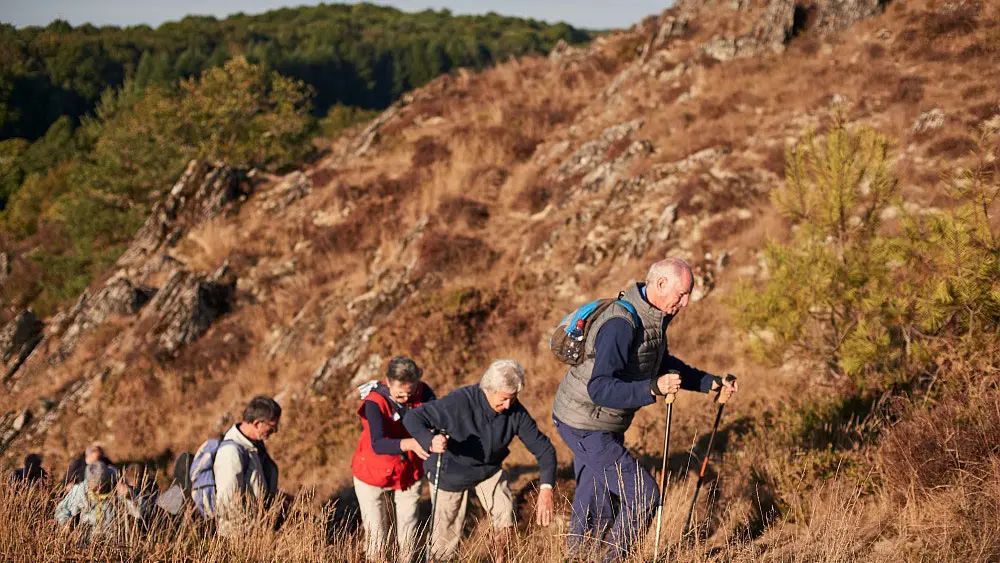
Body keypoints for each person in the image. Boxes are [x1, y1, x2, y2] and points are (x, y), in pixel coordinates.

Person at [551, 258, 739, 561]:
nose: (686, 302)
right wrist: (652, 388)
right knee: (643, 496)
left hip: (601, 423)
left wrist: (710, 383)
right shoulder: (621, 325)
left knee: (597, 503)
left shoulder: (652, 318)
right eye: (682, 294)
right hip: (585, 423)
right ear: (661, 284)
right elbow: (599, 388)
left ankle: (578, 556)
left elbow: (661, 363)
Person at [404, 359, 556, 562]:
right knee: (445, 540)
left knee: (505, 515)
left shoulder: (515, 411)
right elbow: (413, 418)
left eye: (512, 399)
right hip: (451, 472)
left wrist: (546, 488)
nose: (508, 405)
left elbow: (544, 449)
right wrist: (430, 441)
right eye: (503, 399)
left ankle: (501, 558)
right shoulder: (459, 401)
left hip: (488, 470)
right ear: (488, 389)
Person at [352, 356, 436, 562]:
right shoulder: (374, 402)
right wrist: (412, 444)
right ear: (388, 382)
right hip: (372, 472)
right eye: (400, 394)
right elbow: (378, 443)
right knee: (376, 537)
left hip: (409, 471)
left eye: (410, 392)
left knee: (408, 531)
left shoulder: (424, 392)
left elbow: (437, 419)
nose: (406, 399)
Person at [214, 395, 281, 537]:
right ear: (257, 423)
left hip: (255, 531)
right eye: (271, 427)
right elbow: (228, 505)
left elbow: (256, 485)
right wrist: (257, 533)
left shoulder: (253, 446)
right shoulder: (231, 452)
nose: (275, 431)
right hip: (238, 537)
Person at [54, 461, 120, 539]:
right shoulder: (80, 491)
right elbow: (62, 510)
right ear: (88, 483)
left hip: (113, 540)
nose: (98, 491)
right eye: (94, 489)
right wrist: (65, 524)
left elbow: (134, 511)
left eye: (102, 486)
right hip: (86, 540)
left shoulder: (118, 487)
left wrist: (129, 495)